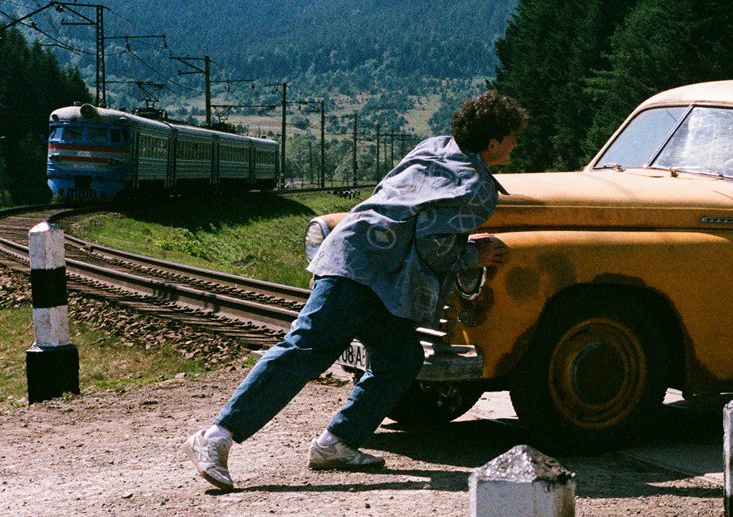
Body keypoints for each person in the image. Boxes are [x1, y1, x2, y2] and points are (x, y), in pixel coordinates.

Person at [182, 92, 527, 491]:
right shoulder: (476, 185)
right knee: (305, 347)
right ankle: (216, 437)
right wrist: (475, 253)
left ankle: (338, 443)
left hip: (363, 258)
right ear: (493, 143)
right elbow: (435, 245)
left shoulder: (434, 147)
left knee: (400, 358)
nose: (516, 144)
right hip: (365, 270)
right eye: (513, 136)